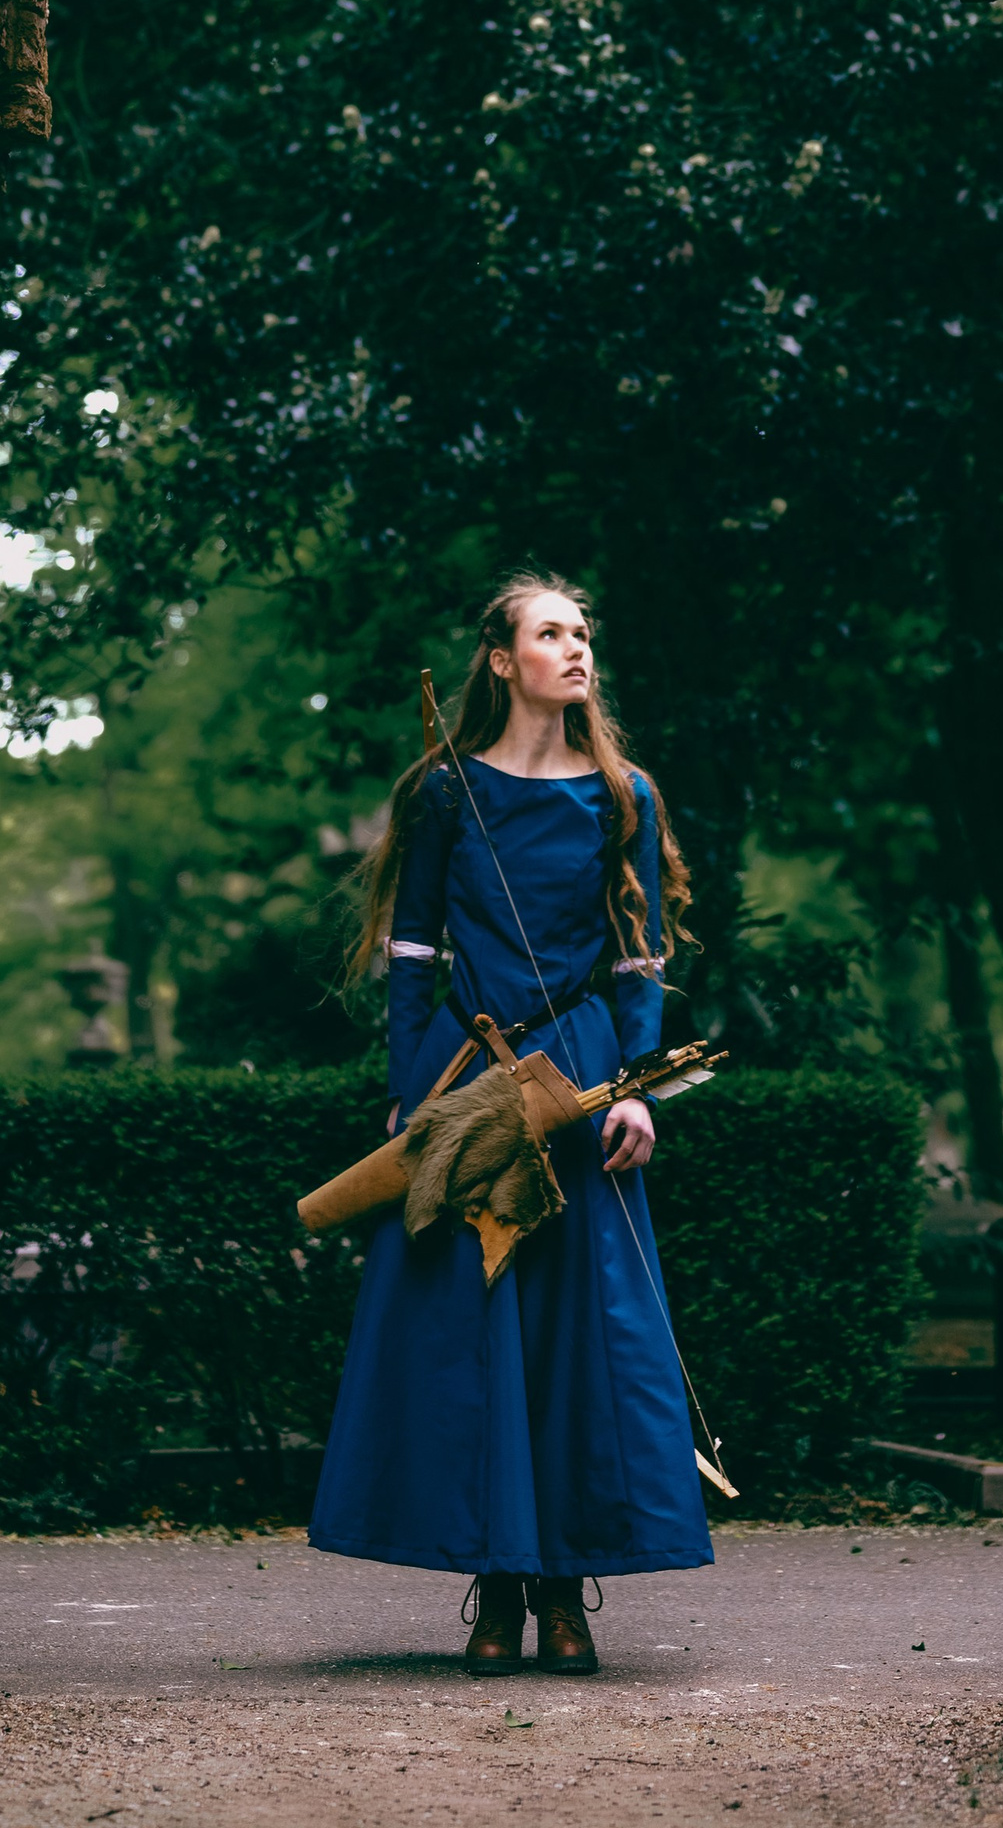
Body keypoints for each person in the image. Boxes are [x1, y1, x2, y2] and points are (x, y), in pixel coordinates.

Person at [306, 572, 714, 1674]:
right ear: (501, 658)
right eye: (550, 632)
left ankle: (564, 1587)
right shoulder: (443, 791)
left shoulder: (625, 791)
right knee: (475, 1322)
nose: (575, 648)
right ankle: (498, 1583)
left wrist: (631, 1084)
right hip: (468, 1069)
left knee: (576, 1329)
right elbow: (411, 947)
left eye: (583, 630)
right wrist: (409, 1084)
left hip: (580, 1075)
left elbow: (639, 955)